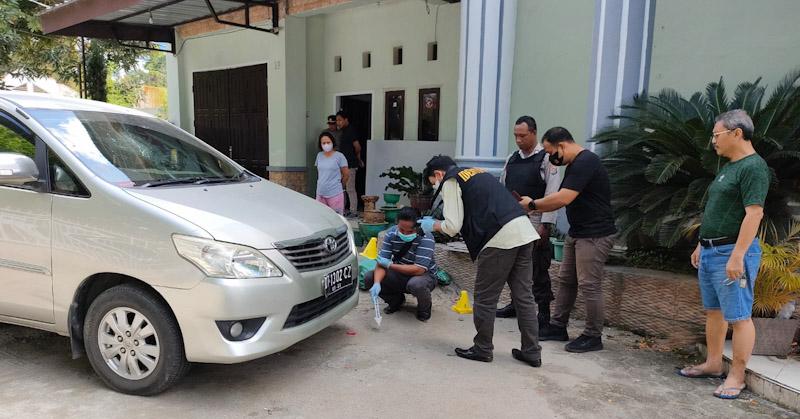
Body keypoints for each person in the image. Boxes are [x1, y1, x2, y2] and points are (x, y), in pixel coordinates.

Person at [678, 110, 768, 400]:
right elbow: (717, 210)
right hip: (710, 251)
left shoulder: (753, 167)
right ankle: (714, 363)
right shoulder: (728, 166)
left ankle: (737, 376)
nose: (712, 141)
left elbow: (754, 214)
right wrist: (700, 244)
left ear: (737, 133)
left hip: (732, 252)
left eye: (716, 135)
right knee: (714, 312)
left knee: (740, 316)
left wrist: (738, 255)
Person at [420, 155, 542, 367]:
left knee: (485, 298)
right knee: (524, 297)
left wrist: (432, 225)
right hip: (523, 230)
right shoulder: (475, 171)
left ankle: (483, 348)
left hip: (498, 237)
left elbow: (452, 226)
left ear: (438, 174)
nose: (436, 186)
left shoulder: (450, 180)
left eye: (434, 183)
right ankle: (532, 352)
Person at [519, 127, 616, 353]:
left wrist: (533, 204)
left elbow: (563, 198)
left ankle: (593, 336)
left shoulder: (586, 162)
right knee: (566, 280)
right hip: (578, 231)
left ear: (562, 145)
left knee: (589, 285)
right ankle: (557, 326)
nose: (551, 159)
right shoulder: (574, 165)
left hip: (595, 234)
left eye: (552, 152)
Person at [497, 116, 561, 330]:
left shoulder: (546, 159)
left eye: (522, 136)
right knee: (511, 266)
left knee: (538, 269)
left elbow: (553, 193)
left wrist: (546, 224)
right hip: (512, 221)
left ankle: (543, 313)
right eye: (515, 135)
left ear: (533, 133)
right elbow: (502, 188)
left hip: (535, 221)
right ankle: (515, 305)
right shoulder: (512, 159)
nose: (518, 140)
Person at [364, 207, 438, 321]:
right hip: (400, 273)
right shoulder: (391, 233)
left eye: (409, 231)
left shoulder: (426, 237)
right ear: (397, 224)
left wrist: (390, 265)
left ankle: (424, 308)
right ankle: (396, 301)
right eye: (401, 229)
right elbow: (381, 262)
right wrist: (377, 283)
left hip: (424, 276)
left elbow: (419, 270)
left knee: (416, 284)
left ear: (418, 226)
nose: (404, 233)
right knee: (370, 277)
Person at [335, 110, 364, 217]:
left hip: (350, 164)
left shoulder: (351, 130)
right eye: (337, 120)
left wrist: (357, 158)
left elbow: (357, 147)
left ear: (346, 120)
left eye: (340, 120)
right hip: (342, 165)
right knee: (342, 188)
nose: (338, 122)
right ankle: (343, 208)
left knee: (350, 188)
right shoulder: (342, 132)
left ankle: (353, 211)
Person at [314, 132, 349, 214]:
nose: (326, 144)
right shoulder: (319, 155)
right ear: (320, 144)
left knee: (336, 218)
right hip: (320, 192)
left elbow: (346, 174)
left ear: (333, 142)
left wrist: (341, 186)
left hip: (335, 193)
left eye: (328, 142)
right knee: (321, 217)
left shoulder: (340, 156)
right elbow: (320, 173)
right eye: (324, 143)